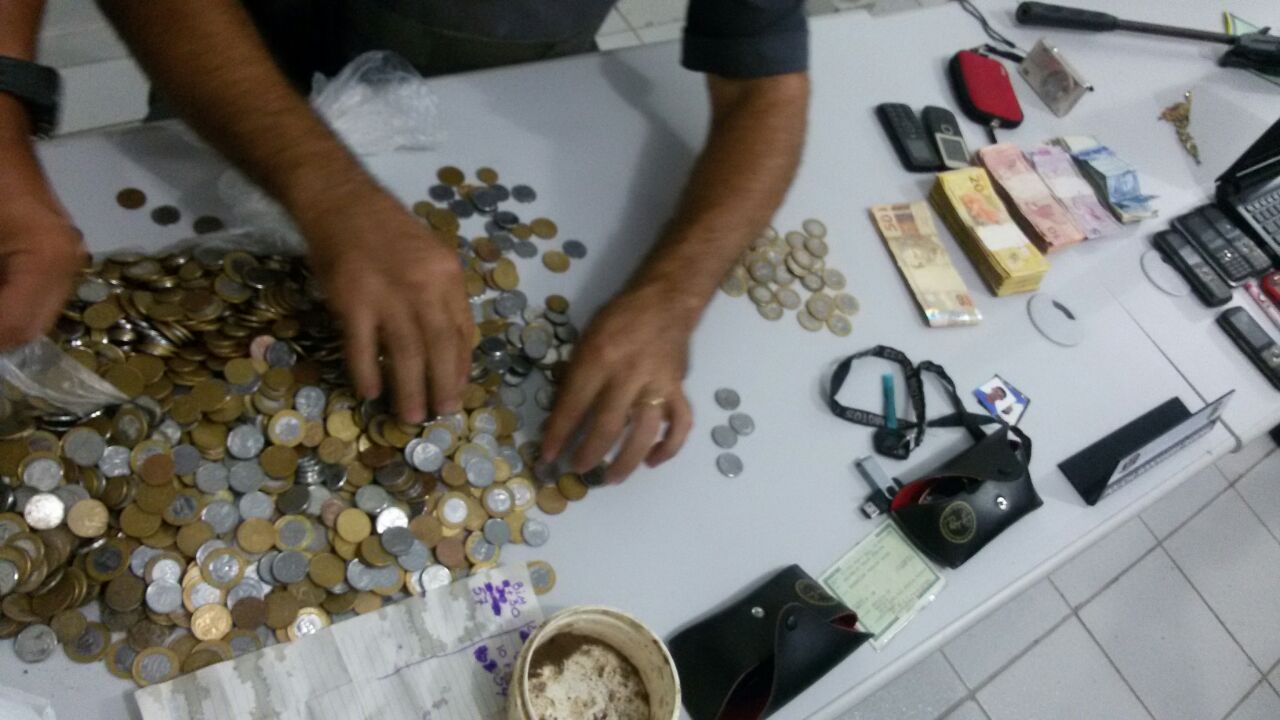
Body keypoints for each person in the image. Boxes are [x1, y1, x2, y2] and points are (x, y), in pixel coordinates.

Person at [0, 0, 810, 484]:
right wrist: (331, 192)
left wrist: (671, 299)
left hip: (509, 98)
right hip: (235, 101)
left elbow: (766, 92)